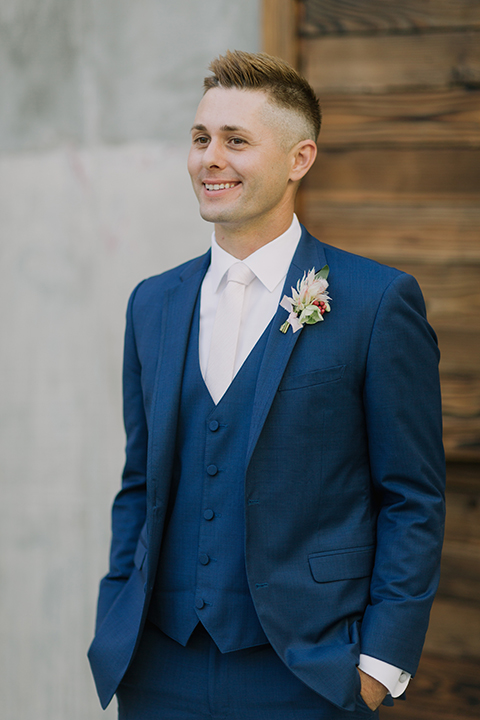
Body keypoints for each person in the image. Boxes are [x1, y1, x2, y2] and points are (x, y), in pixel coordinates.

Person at [88, 51, 445, 719]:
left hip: (307, 672)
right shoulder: (152, 303)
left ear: (298, 159)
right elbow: (139, 482)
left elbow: (411, 496)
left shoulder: (375, 302)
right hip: (158, 667)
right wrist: (116, 612)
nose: (208, 159)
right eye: (200, 139)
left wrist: (378, 666)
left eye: (236, 141)